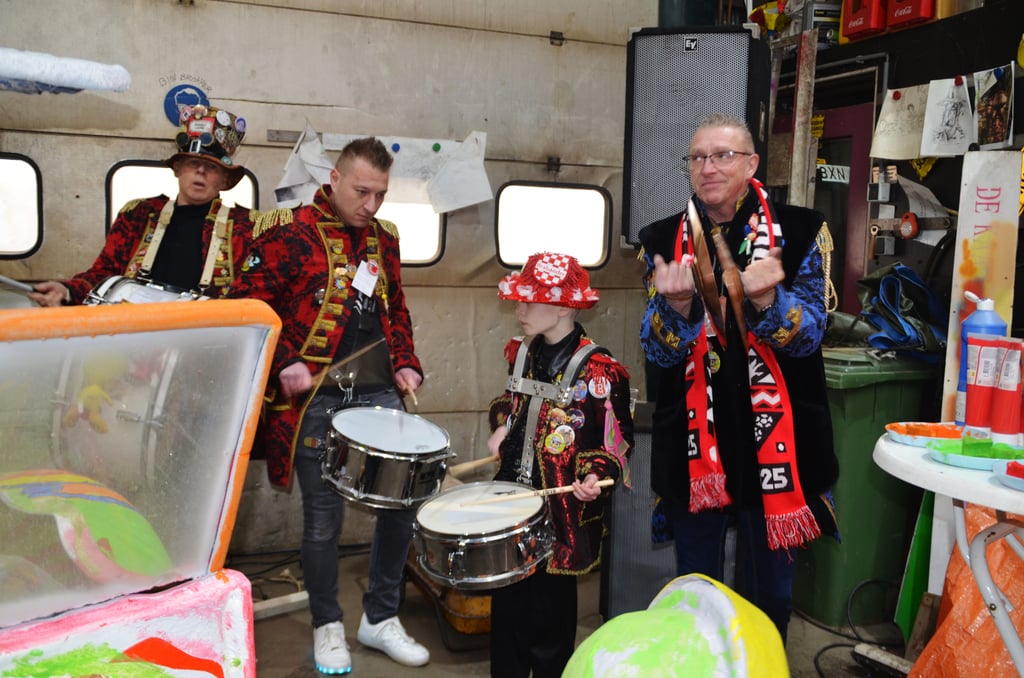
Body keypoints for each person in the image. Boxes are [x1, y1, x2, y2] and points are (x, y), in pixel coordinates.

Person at [227, 137, 428, 674]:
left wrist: (407, 361)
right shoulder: (289, 232)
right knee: (323, 520)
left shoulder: (385, 238)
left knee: (401, 506)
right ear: (334, 179)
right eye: (361, 191)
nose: (371, 205)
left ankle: (380, 617)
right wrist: (285, 359)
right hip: (315, 397)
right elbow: (246, 302)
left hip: (378, 390)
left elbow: (395, 308)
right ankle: (327, 625)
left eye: (380, 194)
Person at [637, 113, 839, 643]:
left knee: (770, 595)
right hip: (695, 443)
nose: (708, 167)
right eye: (698, 158)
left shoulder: (799, 232)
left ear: (752, 164)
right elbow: (655, 353)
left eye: (723, 155)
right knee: (696, 590)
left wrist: (770, 300)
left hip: (775, 443)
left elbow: (809, 338)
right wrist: (677, 308)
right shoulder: (663, 239)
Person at [485, 251, 634, 678]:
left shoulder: (601, 371)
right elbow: (508, 403)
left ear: (565, 307)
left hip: (561, 512)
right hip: (513, 503)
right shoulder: (520, 353)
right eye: (519, 300)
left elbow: (615, 440)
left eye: (530, 301)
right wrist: (502, 426)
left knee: (550, 619)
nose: (520, 310)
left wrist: (596, 475)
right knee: (507, 611)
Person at [30, 105, 261, 307]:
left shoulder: (245, 228)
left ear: (224, 180)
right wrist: (67, 291)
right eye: (193, 163)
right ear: (178, 169)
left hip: (207, 335)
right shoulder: (138, 215)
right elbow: (104, 273)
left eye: (211, 167)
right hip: (135, 331)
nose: (200, 171)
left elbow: (255, 295)